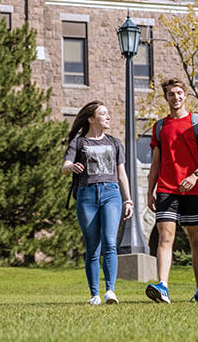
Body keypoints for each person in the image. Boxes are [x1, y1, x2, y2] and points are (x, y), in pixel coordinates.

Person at [145, 78, 198, 304]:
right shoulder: (159, 126)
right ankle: (163, 286)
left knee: (195, 239)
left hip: (193, 189)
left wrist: (195, 176)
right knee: (165, 237)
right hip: (166, 189)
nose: (175, 97)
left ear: (185, 95)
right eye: (170, 94)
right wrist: (150, 190)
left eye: (178, 93)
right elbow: (156, 162)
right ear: (165, 98)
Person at [62, 101, 134, 305]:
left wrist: (128, 199)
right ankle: (94, 295)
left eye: (108, 113)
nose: (108, 117)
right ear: (91, 119)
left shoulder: (115, 142)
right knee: (93, 246)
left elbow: (122, 174)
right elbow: (64, 166)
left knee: (110, 243)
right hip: (87, 196)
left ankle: (110, 291)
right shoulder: (78, 143)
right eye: (103, 114)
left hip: (111, 193)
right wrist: (72, 167)